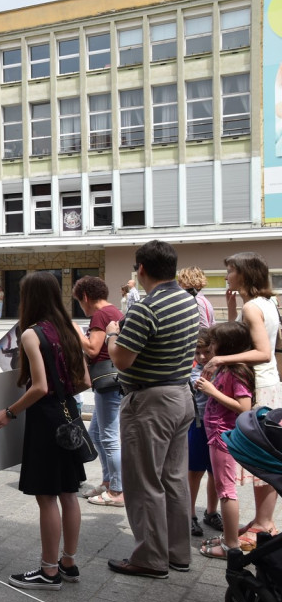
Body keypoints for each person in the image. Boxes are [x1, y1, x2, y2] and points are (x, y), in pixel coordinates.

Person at [0, 272, 89, 590]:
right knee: (69, 494)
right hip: (70, 417)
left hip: (45, 421)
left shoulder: (31, 334)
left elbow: (40, 387)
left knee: (46, 497)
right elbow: (85, 381)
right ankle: (67, 563)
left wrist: (9, 413)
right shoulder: (71, 327)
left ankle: (48, 571)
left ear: (30, 297)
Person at [105, 240, 199, 579]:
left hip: (150, 403)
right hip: (180, 396)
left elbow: (121, 358)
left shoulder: (146, 307)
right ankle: (178, 554)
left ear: (141, 269)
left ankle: (150, 558)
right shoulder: (188, 301)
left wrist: (112, 335)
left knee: (144, 482)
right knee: (173, 479)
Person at [208, 252, 282, 548]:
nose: (226, 276)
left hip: (258, 386)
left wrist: (221, 358)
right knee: (269, 455)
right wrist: (230, 308)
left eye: (230, 270)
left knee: (262, 457)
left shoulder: (253, 307)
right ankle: (263, 520)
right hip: (269, 385)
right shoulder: (266, 303)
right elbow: (250, 340)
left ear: (244, 274)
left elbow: (262, 351)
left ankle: (264, 522)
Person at [195, 321, 254, 559]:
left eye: (215, 342)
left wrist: (212, 391)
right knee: (223, 487)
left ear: (226, 346)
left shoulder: (237, 371)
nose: (211, 347)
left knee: (226, 490)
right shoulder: (226, 369)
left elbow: (244, 407)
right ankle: (229, 537)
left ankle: (231, 545)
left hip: (224, 437)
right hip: (217, 435)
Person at [71, 276, 124, 507]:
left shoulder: (101, 315)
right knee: (96, 437)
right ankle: (108, 482)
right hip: (112, 382)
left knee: (110, 438)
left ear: (85, 297)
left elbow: (93, 349)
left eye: (79, 302)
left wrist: (76, 332)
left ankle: (118, 490)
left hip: (108, 383)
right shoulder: (115, 311)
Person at [188, 329, 221, 538]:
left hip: (217, 427)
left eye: (206, 352)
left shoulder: (222, 367)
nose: (201, 357)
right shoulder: (194, 371)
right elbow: (197, 384)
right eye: (197, 352)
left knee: (215, 472)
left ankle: (211, 511)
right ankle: (189, 514)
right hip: (198, 425)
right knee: (194, 472)